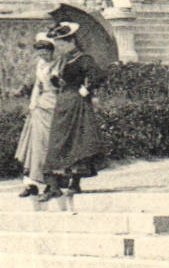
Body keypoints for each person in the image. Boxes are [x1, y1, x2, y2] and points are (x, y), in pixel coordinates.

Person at [39, 20, 106, 199]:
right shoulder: (64, 60)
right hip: (63, 103)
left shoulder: (83, 58)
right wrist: (55, 80)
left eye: (62, 43)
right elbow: (61, 81)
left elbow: (98, 75)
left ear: (72, 41)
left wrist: (87, 89)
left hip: (76, 103)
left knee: (77, 141)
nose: (59, 47)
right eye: (58, 44)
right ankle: (54, 184)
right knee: (59, 141)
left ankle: (74, 183)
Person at [13, 35, 59, 197]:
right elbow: (37, 86)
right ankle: (30, 182)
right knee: (34, 144)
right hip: (40, 105)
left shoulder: (59, 64)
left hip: (54, 104)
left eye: (45, 53)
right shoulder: (40, 65)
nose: (43, 57)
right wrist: (32, 104)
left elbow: (61, 86)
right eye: (40, 54)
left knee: (47, 145)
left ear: (51, 51)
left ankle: (51, 182)